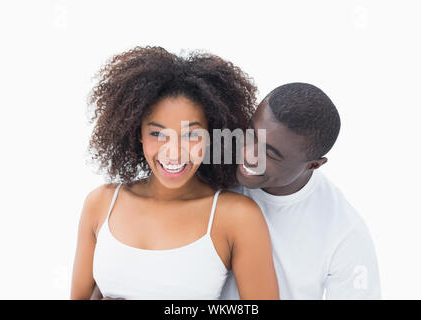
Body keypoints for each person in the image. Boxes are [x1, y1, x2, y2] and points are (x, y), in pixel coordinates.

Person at [70, 46, 279, 299]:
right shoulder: (101, 203)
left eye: (191, 134)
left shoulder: (236, 216)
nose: (173, 153)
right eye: (157, 133)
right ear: (137, 133)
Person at [219, 82, 381, 299]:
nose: (249, 155)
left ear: (314, 165)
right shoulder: (212, 170)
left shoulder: (345, 233)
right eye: (251, 133)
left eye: (271, 154)